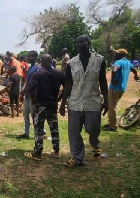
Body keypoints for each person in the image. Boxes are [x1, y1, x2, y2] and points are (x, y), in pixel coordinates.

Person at [60, 35, 109, 167]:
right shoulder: (72, 63)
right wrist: (63, 102)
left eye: (82, 42)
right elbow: (68, 84)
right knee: (74, 132)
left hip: (93, 102)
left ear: (89, 43)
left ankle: (95, 143)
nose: (80, 44)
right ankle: (77, 157)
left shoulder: (99, 60)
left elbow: (103, 82)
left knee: (93, 129)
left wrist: (106, 100)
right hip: (75, 103)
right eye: (77, 43)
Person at [24, 54, 65, 160]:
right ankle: (56, 151)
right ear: (51, 61)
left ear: (41, 62)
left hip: (40, 104)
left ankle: (37, 153)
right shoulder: (59, 74)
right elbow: (67, 87)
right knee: (54, 128)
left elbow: (31, 89)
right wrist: (60, 98)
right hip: (52, 104)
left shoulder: (37, 74)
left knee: (39, 128)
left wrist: (33, 101)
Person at [103, 49, 139, 131]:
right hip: (122, 88)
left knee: (112, 107)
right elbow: (134, 69)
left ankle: (113, 126)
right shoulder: (127, 62)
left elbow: (115, 69)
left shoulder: (118, 62)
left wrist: (113, 80)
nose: (115, 55)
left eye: (116, 53)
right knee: (113, 105)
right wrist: (135, 76)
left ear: (120, 55)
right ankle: (111, 122)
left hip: (115, 88)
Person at [17, 50, 40, 139]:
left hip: (33, 96)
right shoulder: (30, 68)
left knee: (34, 115)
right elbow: (27, 82)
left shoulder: (37, 68)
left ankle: (37, 133)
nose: (28, 58)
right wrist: (23, 93)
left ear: (35, 58)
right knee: (26, 114)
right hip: (27, 95)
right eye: (28, 56)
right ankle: (26, 133)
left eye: (30, 56)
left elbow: (34, 84)